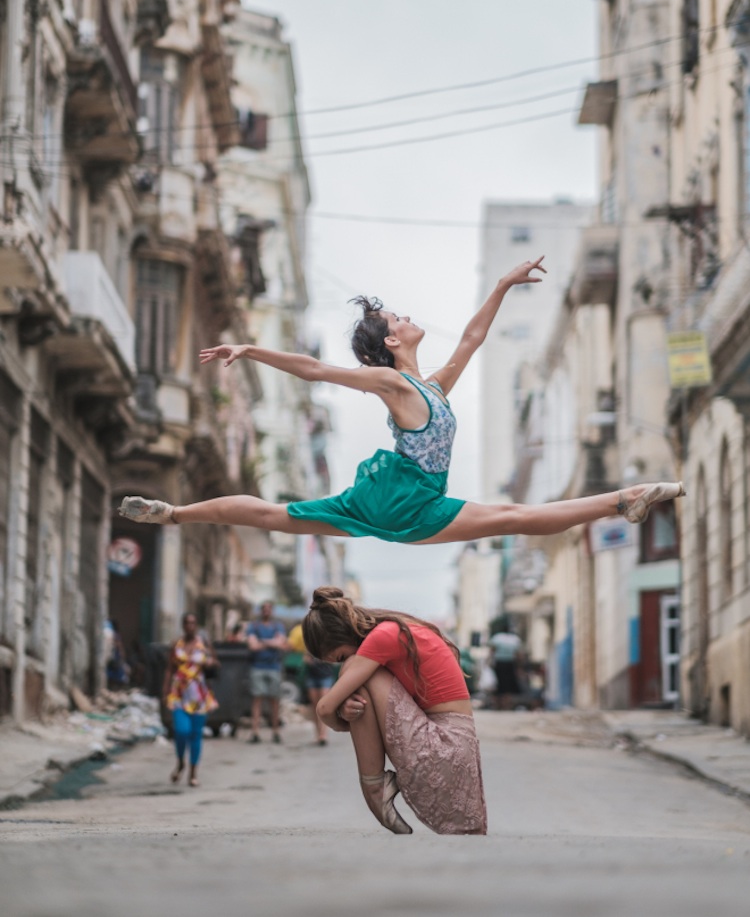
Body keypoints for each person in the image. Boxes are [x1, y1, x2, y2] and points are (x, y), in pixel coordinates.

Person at [119, 258, 685, 543]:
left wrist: (502, 287)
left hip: (394, 498)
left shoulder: (430, 388)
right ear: (392, 342)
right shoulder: (392, 384)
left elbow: (470, 340)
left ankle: (173, 514)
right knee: (516, 516)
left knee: (275, 515)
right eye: (399, 318)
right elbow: (316, 370)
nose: (409, 318)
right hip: (407, 501)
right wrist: (252, 349)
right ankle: (625, 497)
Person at [301, 586, 487, 836]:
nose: (342, 663)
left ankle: (374, 788)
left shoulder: (382, 638)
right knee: (357, 685)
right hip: (454, 750)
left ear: (343, 635)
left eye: (339, 656)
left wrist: (340, 718)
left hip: (444, 747)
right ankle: (376, 787)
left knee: (357, 674)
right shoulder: (395, 628)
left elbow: (324, 708)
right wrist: (345, 709)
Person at [163, 612, 218, 787]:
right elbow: (169, 669)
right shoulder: (176, 645)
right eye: (187, 623)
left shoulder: (204, 644)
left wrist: (210, 663)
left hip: (199, 695)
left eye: (193, 623)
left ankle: (193, 773)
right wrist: (164, 691)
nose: (190, 626)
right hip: (179, 694)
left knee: (196, 734)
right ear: (183, 625)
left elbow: (216, 664)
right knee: (181, 731)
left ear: (197, 625)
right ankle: (180, 762)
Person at [246, 601, 287, 744]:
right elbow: (252, 646)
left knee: (274, 700)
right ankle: (255, 732)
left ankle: (275, 731)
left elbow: (281, 644)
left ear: (272, 611)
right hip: (257, 666)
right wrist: (272, 642)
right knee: (257, 699)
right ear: (261, 611)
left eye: (269, 609)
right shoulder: (254, 626)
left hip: (274, 667)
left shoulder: (278, 626)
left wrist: (262, 642)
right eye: (264, 609)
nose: (266, 611)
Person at [489, 621, 523, 711]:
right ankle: (506, 705)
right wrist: (519, 666)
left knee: (498, 683)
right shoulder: (515, 639)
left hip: (499, 663)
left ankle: (498, 704)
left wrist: (489, 661)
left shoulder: (497, 637)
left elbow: (492, 650)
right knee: (509, 685)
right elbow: (518, 654)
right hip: (510, 663)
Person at [304, 652, 336, 746]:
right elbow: (305, 659)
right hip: (312, 676)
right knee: (315, 707)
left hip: (326, 676)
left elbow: (334, 661)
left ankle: (323, 734)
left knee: (323, 705)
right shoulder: (311, 645)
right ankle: (318, 734)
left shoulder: (328, 645)